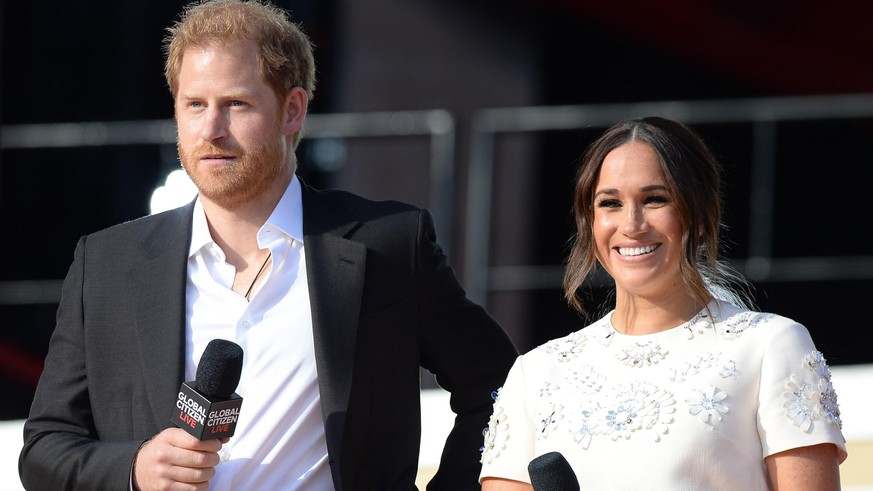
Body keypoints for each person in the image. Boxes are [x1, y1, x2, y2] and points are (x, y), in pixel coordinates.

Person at [18, 1, 518, 489]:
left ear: (292, 110)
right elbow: (44, 448)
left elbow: (500, 388)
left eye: (235, 104)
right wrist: (134, 469)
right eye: (194, 105)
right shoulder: (107, 264)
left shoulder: (388, 243)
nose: (210, 130)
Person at [478, 117, 847, 490]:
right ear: (590, 223)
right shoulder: (537, 373)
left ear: (699, 215)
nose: (632, 223)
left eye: (655, 199)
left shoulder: (770, 346)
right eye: (610, 203)